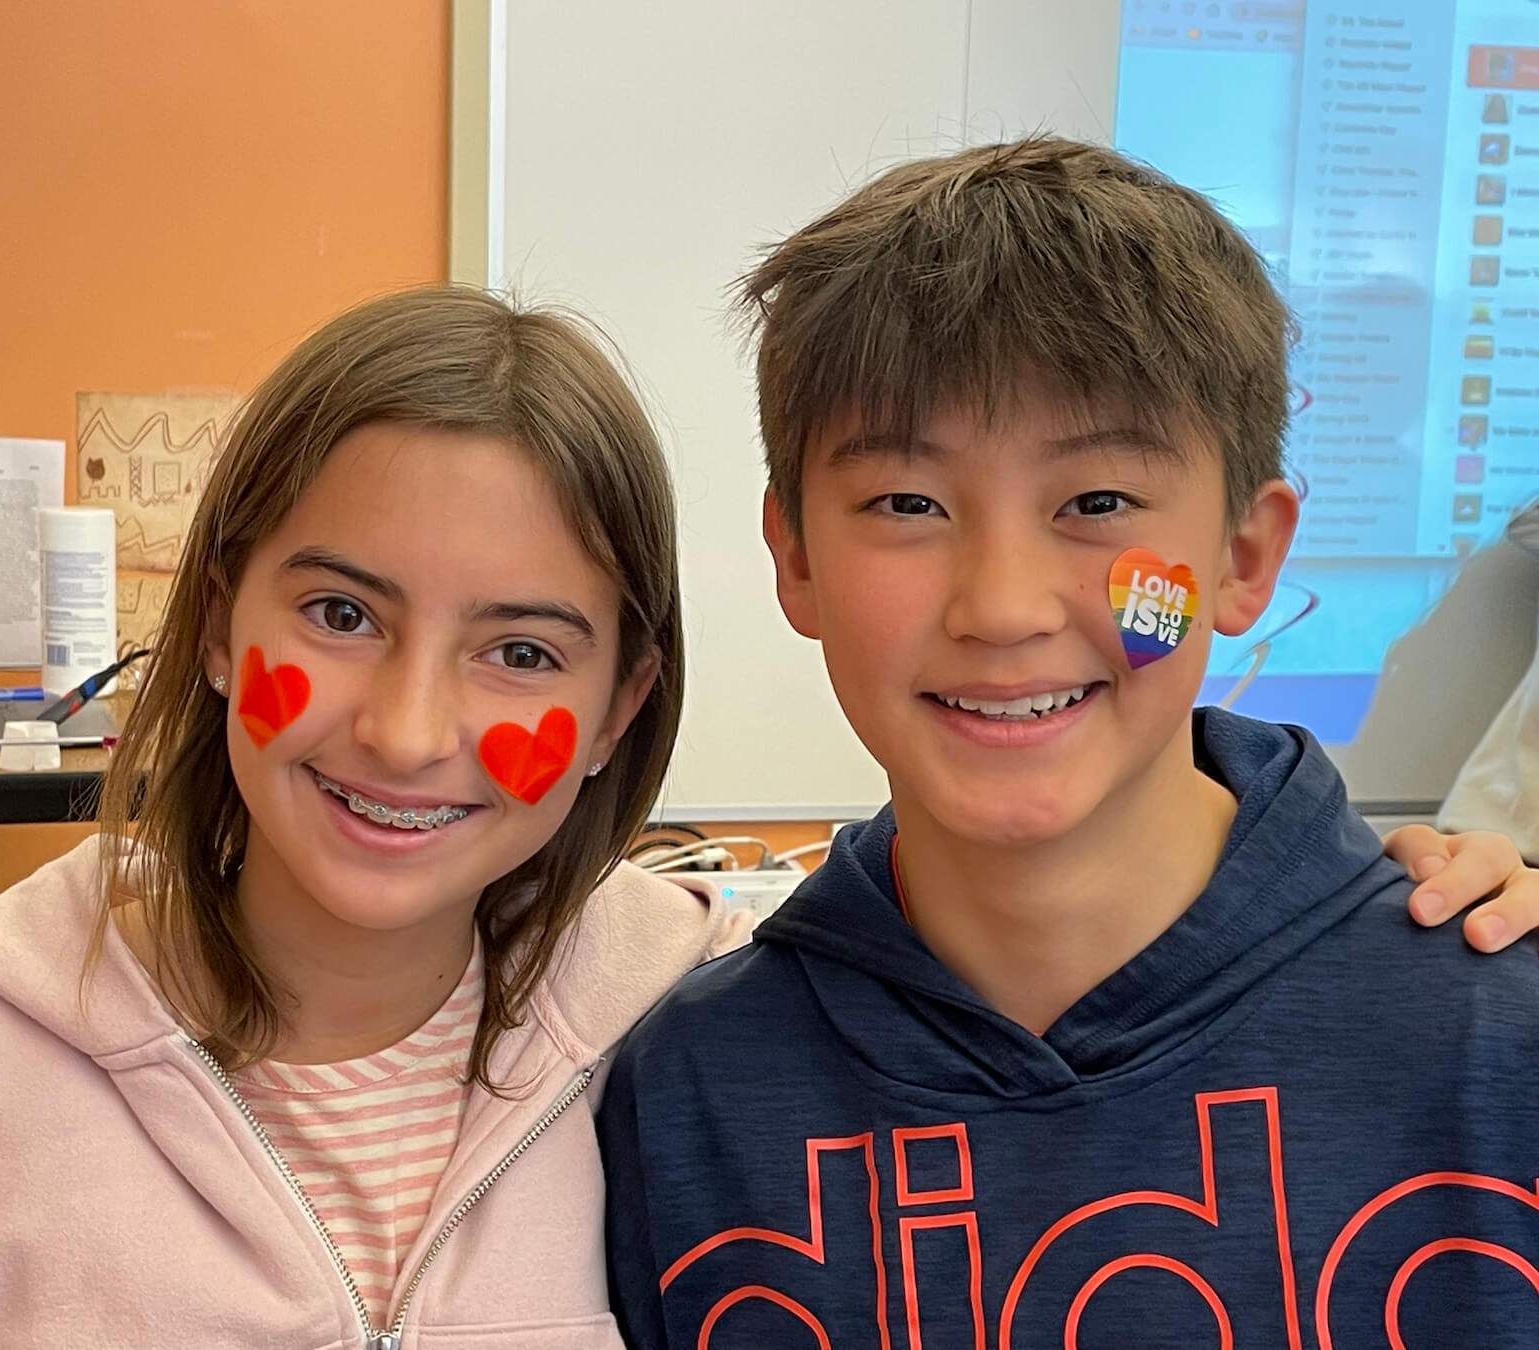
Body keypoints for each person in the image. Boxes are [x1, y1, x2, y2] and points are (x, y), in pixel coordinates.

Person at [0, 288, 1530, 1350]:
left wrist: (1368, 892)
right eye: (340, 614)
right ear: (218, 620)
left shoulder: (678, 1018)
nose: (413, 725)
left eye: (521, 648)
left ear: (617, 713)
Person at [597, 138, 1539, 1348]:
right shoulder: (691, 1093)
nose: (1002, 605)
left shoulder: (1497, 1037)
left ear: (1241, 558)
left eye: (1096, 505)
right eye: (906, 506)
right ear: (796, 561)